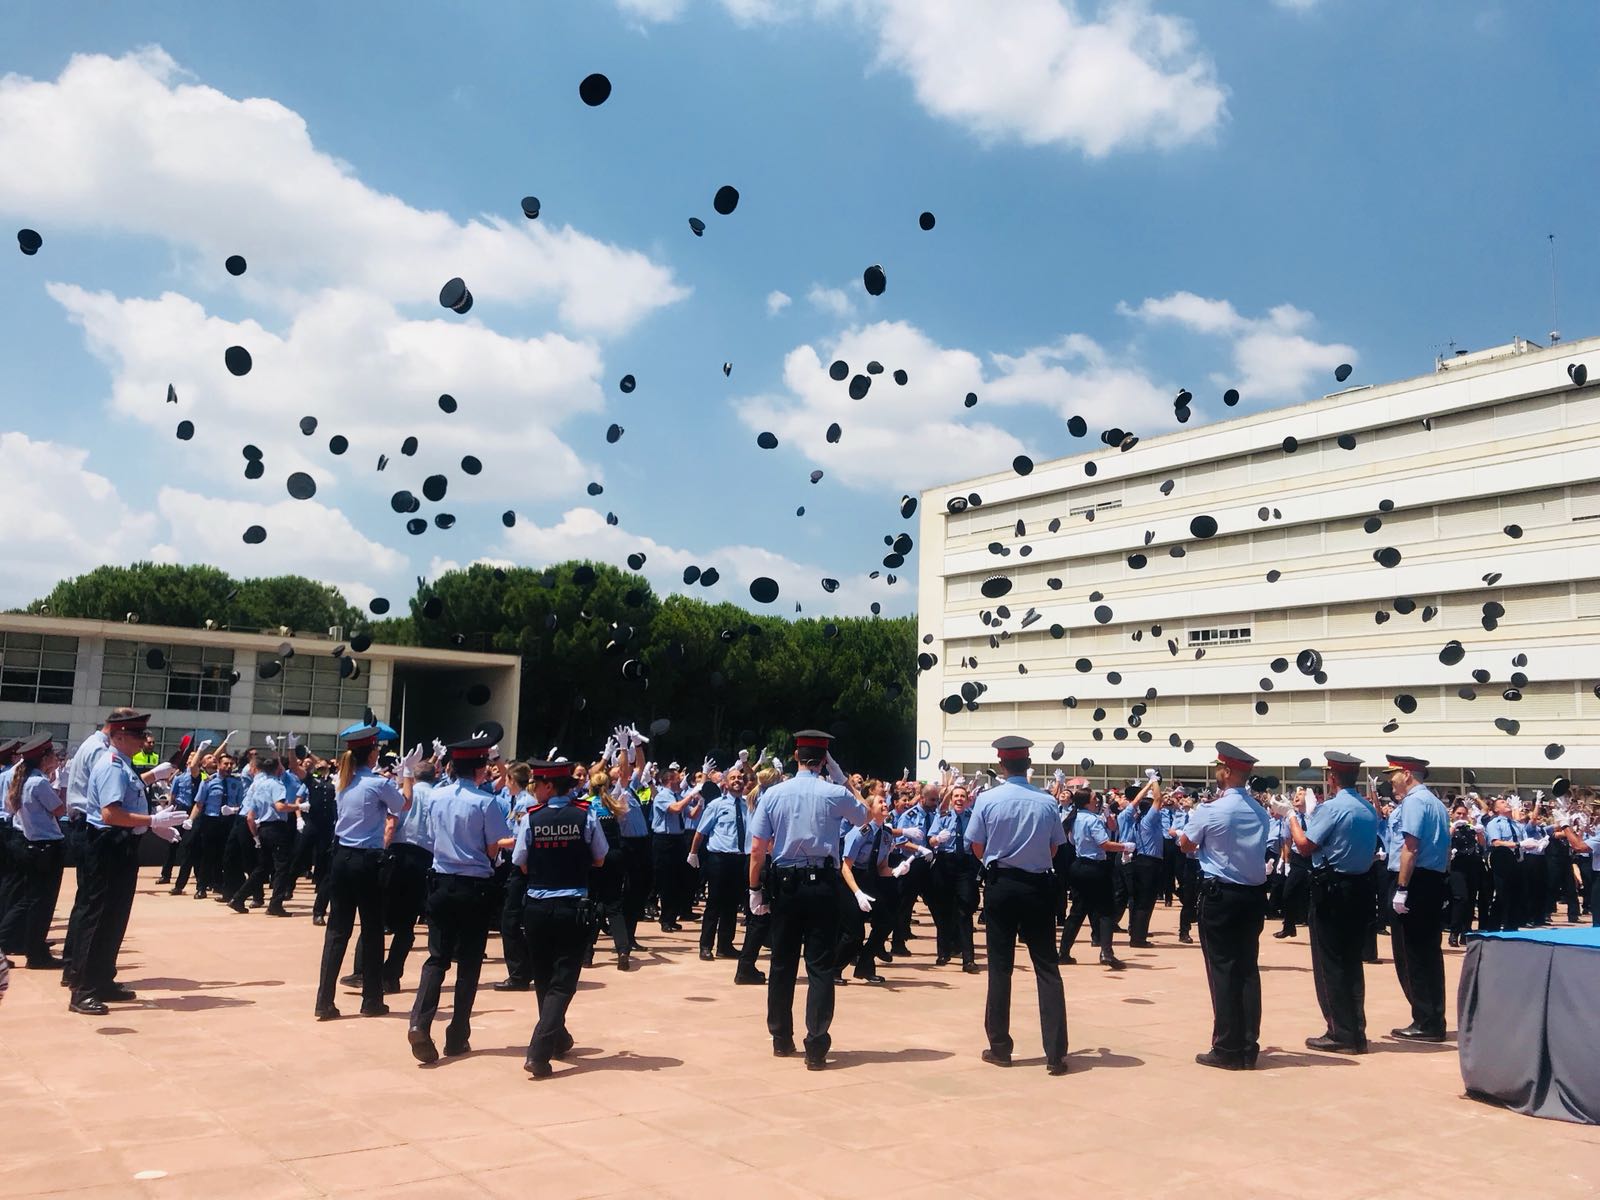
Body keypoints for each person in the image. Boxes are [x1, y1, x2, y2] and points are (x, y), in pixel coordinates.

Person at [747, 730, 868, 1070]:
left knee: (782, 963)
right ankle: (816, 1044)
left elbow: (758, 850)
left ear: (796, 757)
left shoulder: (773, 794)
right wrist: (842, 778)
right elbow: (865, 816)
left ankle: (781, 1038)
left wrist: (754, 890)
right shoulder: (833, 792)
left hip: (786, 885)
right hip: (823, 886)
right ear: (824, 760)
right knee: (819, 967)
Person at [966, 736, 1069, 1075]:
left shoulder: (988, 799)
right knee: (1047, 968)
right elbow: (1056, 848)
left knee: (1000, 966)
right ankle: (1055, 1052)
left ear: (1001, 764)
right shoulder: (1046, 801)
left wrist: (999, 861)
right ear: (1028, 764)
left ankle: (1000, 1046)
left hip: (1001, 884)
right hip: (1038, 885)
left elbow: (976, 845)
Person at [68, 711, 184, 1014]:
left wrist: (152, 825)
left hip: (121, 845)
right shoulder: (110, 765)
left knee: (115, 917)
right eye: (136, 735)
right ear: (118, 735)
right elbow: (110, 814)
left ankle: (103, 979)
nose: (142, 740)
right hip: (107, 844)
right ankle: (82, 989)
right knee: (97, 917)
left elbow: (128, 801)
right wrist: (153, 819)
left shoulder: (123, 765)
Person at [408, 735, 510, 1064]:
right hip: (474, 884)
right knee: (469, 962)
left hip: (440, 880)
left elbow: (426, 836)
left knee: (436, 958)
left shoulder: (437, 796)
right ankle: (457, 1034)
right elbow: (493, 845)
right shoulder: (485, 801)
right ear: (480, 769)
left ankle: (420, 1022)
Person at [1178, 742, 1270, 1070]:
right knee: (1247, 970)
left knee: (1222, 970)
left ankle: (1227, 1046)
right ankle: (1248, 1045)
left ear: (1227, 772)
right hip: (1253, 896)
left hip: (1220, 894)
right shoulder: (1260, 811)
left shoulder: (1211, 810)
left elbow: (1186, 843)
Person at [315, 727, 418, 1020]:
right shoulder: (377, 783)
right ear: (372, 753)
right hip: (367, 860)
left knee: (337, 931)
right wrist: (407, 774)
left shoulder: (343, 780)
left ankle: (324, 1001)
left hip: (341, 858)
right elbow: (404, 804)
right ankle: (371, 999)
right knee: (372, 930)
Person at [515, 760, 608, 1079]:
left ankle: (557, 1037)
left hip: (538, 906)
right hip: (572, 906)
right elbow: (599, 857)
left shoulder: (531, 818)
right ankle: (539, 1050)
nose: (534, 789)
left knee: (543, 977)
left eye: (537, 784)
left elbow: (520, 863)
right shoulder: (585, 814)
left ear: (549, 786)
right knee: (564, 980)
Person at [1285, 752, 1379, 1054]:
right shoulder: (1366, 807)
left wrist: (1291, 819)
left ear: (1332, 778)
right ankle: (1356, 1029)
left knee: (1330, 962)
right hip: (1361, 886)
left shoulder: (1332, 807)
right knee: (1351, 961)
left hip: (1333, 888)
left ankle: (1340, 1031)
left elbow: (1304, 846)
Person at [1384, 754, 1451, 1042]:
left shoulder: (1413, 802)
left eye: (1393, 776)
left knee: (1411, 955)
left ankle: (1424, 1020)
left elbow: (1410, 847)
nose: (1391, 782)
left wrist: (1401, 888)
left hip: (1413, 881)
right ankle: (1433, 1017)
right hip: (1432, 879)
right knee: (1429, 953)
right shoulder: (1436, 803)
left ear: (1407, 774)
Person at [5, 735, 67, 968]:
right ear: (44, 758)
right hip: (47, 846)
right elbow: (59, 809)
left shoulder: (25, 779)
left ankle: (34, 949)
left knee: (30, 900)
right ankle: (35, 952)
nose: (55, 758)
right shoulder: (39, 782)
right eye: (52, 755)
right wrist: (56, 784)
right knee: (41, 902)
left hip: (33, 844)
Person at [1057, 789, 1129, 970]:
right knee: (1106, 911)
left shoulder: (1076, 818)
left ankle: (1063, 953)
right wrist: (1125, 846)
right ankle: (1107, 953)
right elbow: (1104, 844)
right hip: (1095, 867)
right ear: (1087, 802)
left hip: (1079, 865)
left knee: (1077, 911)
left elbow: (1073, 842)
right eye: (1094, 798)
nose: (1097, 800)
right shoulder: (1091, 820)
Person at [690, 767, 750, 962]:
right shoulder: (716, 805)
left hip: (739, 859)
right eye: (733, 778)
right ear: (725, 782)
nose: (737, 781)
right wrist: (693, 852)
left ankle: (725, 945)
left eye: (740, 778)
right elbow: (701, 832)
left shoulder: (747, 806)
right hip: (719, 859)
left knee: (732, 904)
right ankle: (706, 945)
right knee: (714, 903)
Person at [228, 754, 299, 916]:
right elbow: (280, 807)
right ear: (277, 768)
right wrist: (298, 806)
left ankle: (238, 898)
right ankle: (275, 904)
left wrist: (256, 836)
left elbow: (250, 816)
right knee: (282, 867)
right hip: (277, 828)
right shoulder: (276, 785)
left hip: (263, 829)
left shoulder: (257, 786)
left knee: (262, 867)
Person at [839, 790, 898, 983]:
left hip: (870, 880)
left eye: (885, 801)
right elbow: (845, 867)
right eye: (880, 802)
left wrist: (897, 870)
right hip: (852, 881)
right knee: (854, 934)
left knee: (886, 921)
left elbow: (882, 867)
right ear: (870, 809)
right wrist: (857, 893)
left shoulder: (887, 833)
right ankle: (832, 968)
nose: (885, 804)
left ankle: (865, 964)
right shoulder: (860, 831)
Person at [929, 782, 981, 972]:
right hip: (945, 862)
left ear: (967, 800)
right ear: (951, 800)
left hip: (965, 864)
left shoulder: (973, 818)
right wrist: (937, 839)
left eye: (962, 797)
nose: (959, 799)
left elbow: (979, 839)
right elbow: (931, 838)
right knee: (943, 909)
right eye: (956, 796)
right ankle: (943, 952)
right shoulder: (942, 817)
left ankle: (968, 958)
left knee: (965, 910)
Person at [1122, 771, 1167, 948]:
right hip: (1148, 862)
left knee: (1144, 901)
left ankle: (1137, 935)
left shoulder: (1141, 822)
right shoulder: (1147, 821)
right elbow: (1158, 800)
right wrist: (1154, 781)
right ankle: (1138, 939)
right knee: (1144, 902)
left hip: (1145, 862)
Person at [650, 762, 691, 932]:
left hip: (678, 839)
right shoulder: (663, 796)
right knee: (667, 880)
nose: (680, 782)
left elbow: (690, 814)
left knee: (679, 879)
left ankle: (672, 916)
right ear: (669, 781)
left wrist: (700, 802)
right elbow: (675, 809)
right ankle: (665, 919)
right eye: (677, 779)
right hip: (664, 840)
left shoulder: (677, 796)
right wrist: (690, 795)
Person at [1446, 803, 1485, 946]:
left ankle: (1466, 932)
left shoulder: (1469, 829)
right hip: (1456, 866)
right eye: (1458, 814)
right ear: (1453, 814)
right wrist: (1454, 826)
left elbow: (1482, 844)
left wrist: (1479, 831)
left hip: (1472, 865)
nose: (1461, 816)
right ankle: (1454, 931)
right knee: (1460, 898)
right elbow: (1445, 841)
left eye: (1464, 814)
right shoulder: (1450, 826)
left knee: (1470, 900)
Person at [1482, 798, 1523, 932]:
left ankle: (1512, 926)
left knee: (1516, 895)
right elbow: (1496, 842)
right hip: (1502, 860)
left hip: (1516, 861)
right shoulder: (1495, 823)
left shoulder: (1515, 824)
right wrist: (1518, 844)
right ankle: (1494, 926)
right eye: (1502, 803)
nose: (1507, 804)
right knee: (1502, 894)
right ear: (1496, 809)